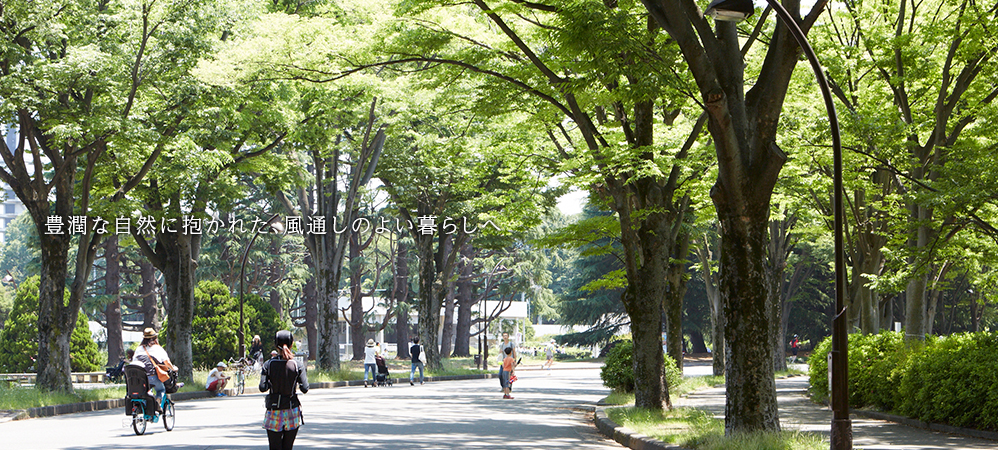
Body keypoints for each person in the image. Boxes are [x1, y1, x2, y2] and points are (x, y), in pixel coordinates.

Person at [260, 330, 309, 450]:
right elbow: (305, 388)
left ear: (275, 346)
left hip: (274, 410)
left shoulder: (269, 364)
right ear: (292, 344)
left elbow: (263, 387)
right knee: (288, 447)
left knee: (274, 447)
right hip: (292, 409)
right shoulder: (297, 365)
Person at [134, 328, 177, 410]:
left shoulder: (139, 349)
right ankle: (157, 405)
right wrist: (173, 368)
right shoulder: (158, 348)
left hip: (140, 378)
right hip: (152, 376)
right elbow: (167, 362)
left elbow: (134, 362)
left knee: (145, 391)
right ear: (155, 338)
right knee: (161, 390)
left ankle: (144, 408)